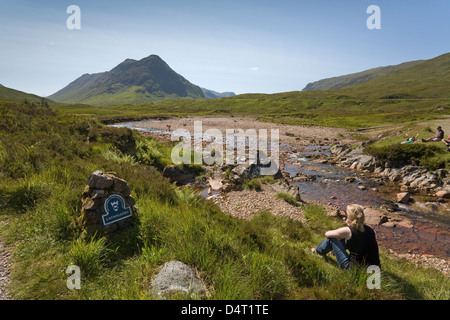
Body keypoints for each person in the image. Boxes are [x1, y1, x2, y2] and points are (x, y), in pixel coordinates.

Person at [311, 204, 380, 269]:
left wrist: (343, 233)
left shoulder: (348, 231)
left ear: (349, 218)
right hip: (374, 268)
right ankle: (333, 252)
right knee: (347, 239)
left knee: (332, 240)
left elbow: (327, 234)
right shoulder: (370, 229)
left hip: (354, 269)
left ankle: (318, 251)